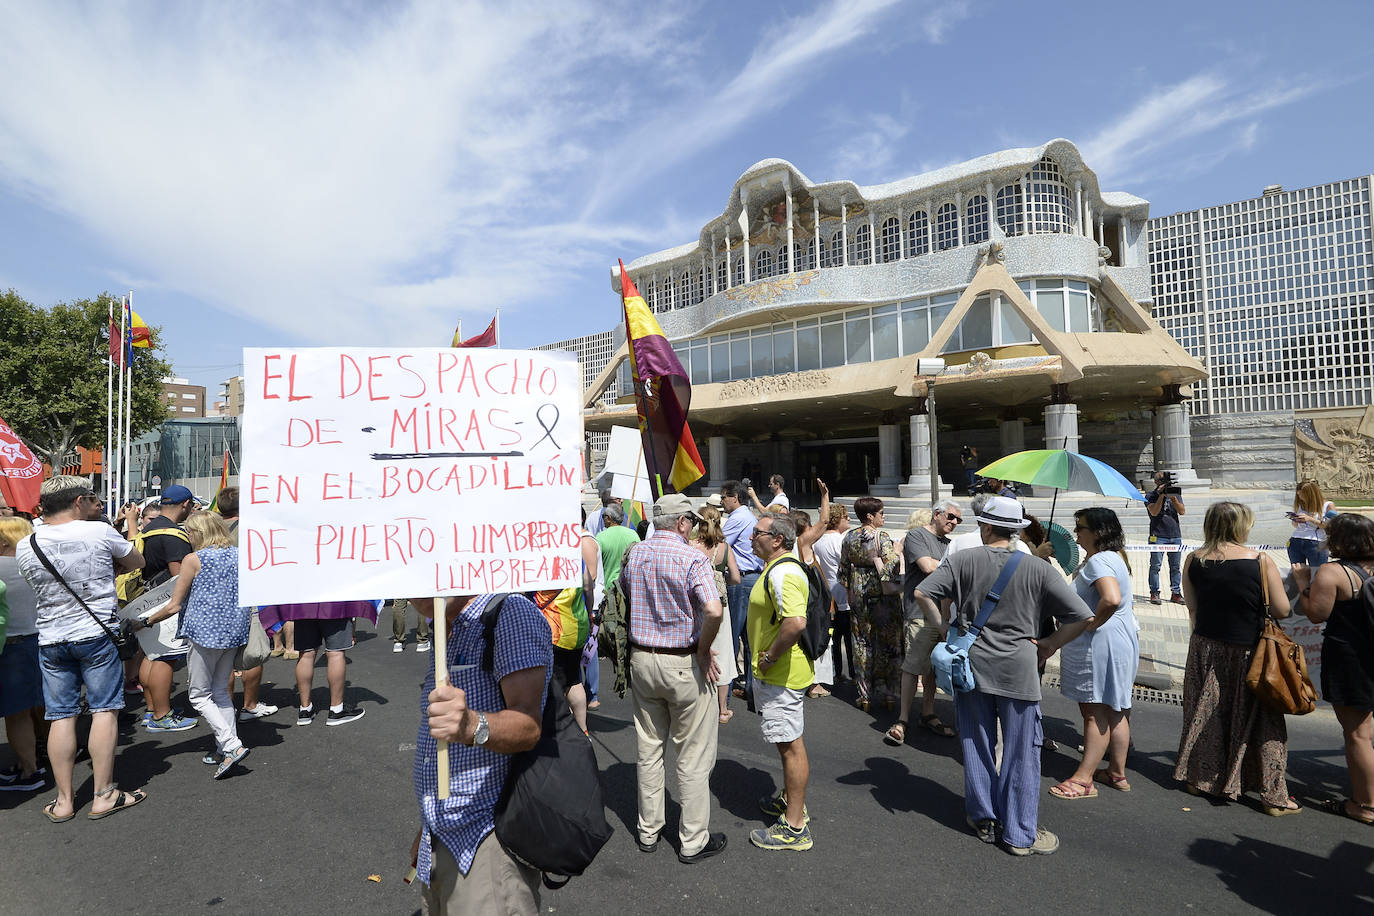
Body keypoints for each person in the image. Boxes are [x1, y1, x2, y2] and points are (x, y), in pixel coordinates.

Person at [913, 496, 1091, 856]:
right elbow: (1083, 616)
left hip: (971, 667)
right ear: (1017, 531)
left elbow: (922, 592)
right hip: (1020, 670)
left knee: (976, 744)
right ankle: (1020, 834)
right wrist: (1049, 644)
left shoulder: (962, 560)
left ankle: (983, 817)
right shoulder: (1038, 569)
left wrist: (946, 629)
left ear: (986, 526)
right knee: (1022, 752)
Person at [407, 592, 551, 916]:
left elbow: (528, 726)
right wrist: (427, 825)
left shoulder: (510, 613)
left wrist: (471, 724)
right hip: (442, 833)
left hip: (487, 841)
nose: (408, 589)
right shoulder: (445, 623)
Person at [15, 477, 148, 821]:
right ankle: (104, 793)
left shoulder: (26, 541)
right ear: (78, 501)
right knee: (104, 710)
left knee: (61, 716)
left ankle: (63, 801)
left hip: (51, 638)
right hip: (96, 633)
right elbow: (137, 562)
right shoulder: (99, 533)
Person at [618, 494, 728, 863]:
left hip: (642, 658)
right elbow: (713, 609)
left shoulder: (636, 554)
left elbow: (624, 593)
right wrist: (702, 647)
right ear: (681, 523)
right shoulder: (693, 557)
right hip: (681, 661)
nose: (695, 527)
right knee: (692, 755)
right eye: (691, 521)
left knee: (649, 748)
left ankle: (649, 830)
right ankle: (692, 840)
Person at [1174, 501, 1299, 814]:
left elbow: (1192, 607)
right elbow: (1282, 610)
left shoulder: (1193, 560)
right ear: (1241, 526)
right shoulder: (1259, 560)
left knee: (1207, 716)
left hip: (1206, 647)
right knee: (1262, 721)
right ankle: (1272, 796)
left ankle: (1200, 778)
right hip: (1249, 650)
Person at [137, 511, 252, 778]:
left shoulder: (194, 559)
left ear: (198, 533)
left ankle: (232, 745)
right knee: (221, 692)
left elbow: (174, 605)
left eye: (190, 532)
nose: (188, 536)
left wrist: (146, 621)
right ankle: (225, 747)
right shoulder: (239, 555)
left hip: (205, 632)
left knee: (199, 695)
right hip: (233, 630)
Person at [1050, 507, 1140, 799]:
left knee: (1094, 711)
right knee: (1117, 709)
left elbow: (1110, 598)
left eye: (1080, 527)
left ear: (1098, 532)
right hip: (1120, 640)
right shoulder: (1112, 558)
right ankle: (1116, 772)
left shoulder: (1099, 561)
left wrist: (1091, 624)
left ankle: (1083, 779)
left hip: (1099, 644)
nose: (1076, 533)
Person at [1292, 513, 1374, 824]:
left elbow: (1315, 614)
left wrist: (1303, 584)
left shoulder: (1332, 573)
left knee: (1358, 734)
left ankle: (1365, 804)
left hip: (1351, 659)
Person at [747, 514, 815, 851]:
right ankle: (791, 802)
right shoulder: (779, 567)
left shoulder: (784, 571)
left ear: (776, 539)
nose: (750, 537)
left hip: (781, 673)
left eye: (756, 532)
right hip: (780, 672)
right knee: (788, 743)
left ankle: (795, 826)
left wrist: (770, 656)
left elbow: (795, 623)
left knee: (790, 746)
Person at [886, 502, 961, 746]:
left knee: (932, 669)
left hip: (944, 613)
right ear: (937, 514)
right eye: (950, 517)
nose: (954, 522)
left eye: (958, 520)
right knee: (913, 667)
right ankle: (902, 719)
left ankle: (928, 713)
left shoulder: (949, 544)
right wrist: (958, 569)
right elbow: (928, 568)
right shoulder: (917, 535)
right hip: (920, 612)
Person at [529, 513, 599, 733]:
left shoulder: (541, 563)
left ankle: (558, 732)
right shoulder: (573, 559)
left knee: (554, 684)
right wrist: (588, 615)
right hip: (577, 628)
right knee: (574, 679)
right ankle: (583, 729)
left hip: (553, 631)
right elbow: (588, 589)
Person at [138, 484, 199, 732]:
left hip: (146, 598)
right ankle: (163, 715)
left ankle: (152, 710)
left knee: (150, 655)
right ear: (185, 505)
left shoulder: (149, 527)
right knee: (166, 657)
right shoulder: (174, 534)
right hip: (167, 601)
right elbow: (179, 574)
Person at [258, 601, 376, 726]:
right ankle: (336, 710)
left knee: (306, 654)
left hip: (304, 604)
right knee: (335, 653)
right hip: (334, 602)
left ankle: (305, 709)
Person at [837, 496, 902, 711]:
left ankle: (864, 695)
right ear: (870, 516)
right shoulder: (882, 536)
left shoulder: (848, 537)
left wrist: (850, 592)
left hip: (858, 592)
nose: (884, 517)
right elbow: (891, 564)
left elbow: (843, 570)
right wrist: (898, 552)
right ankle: (889, 693)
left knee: (861, 643)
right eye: (881, 513)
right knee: (888, 642)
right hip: (882, 595)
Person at [0, 516, 46, 793]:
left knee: (16, 714)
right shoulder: (34, 564)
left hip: (11, 646)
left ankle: (29, 771)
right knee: (35, 707)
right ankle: (31, 761)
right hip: (37, 639)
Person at [690, 505, 739, 724]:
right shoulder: (724, 548)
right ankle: (722, 709)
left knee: (700, 650)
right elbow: (736, 578)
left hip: (698, 606)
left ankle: (700, 705)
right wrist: (722, 578)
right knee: (724, 654)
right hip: (721, 607)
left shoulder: (692, 546)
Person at [720, 480, 763, 697]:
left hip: (741, 581)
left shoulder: (737, 518)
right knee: (749, 638)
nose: (722, 501)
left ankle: (724, 694)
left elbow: (719, 544)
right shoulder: (747, 515)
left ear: (734, 497)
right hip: (751, 579)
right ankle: (751, 689)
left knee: (732, 635)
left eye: (723, 497)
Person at [812, 504, 854, 685]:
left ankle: (837, 672)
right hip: (844, 593)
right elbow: (849, 566)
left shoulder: (819, 541)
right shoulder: (840, 541)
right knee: (850, 638)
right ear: (838, 520)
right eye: (846, 517)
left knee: (834, 637)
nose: (849, 520)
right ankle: (853, 673)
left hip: (828, 593)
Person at [1146, 471, 1186, 604]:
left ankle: (1175, 593)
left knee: (1175, 567)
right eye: (1162, 482)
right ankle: (1154, 592)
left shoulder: (1175, 493)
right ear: (1156, 482)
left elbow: (1182, 511)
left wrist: (1173, 499)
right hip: (1157, 535)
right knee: (1155, 565)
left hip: (1174, 535)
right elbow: (1154, 512)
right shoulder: (1150, 495)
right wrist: (1161, 496)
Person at [1288, 479, 1335, 567]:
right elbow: (1296, 526)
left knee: (1317, 573)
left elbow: (1331, 526)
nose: (1301, 498)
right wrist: (1296, 520)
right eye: (1299, 495)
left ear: (1311, 494)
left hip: (1316, 543)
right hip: (1296, 540)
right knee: (1298, 573)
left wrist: (1310, 519)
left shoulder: (1328, 506)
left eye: (1303, 495)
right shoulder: (1300, 505)